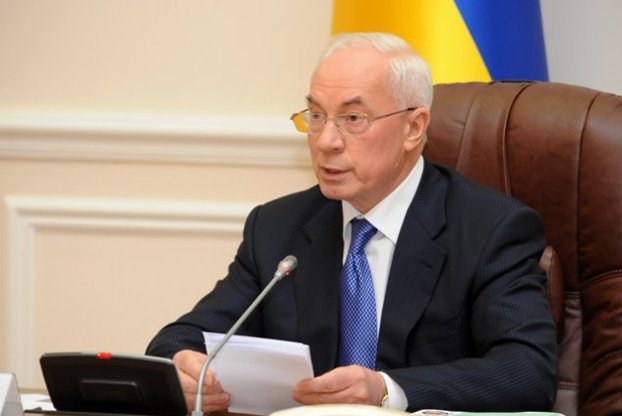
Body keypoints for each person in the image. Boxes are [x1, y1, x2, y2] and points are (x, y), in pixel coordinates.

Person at [146, 32, 558, 413]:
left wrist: (386, 389)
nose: (326, 141)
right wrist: (183, 366)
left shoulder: (490, 227)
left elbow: (527, 370)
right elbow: (179, 339)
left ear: (413, 128)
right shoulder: (277, 227)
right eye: (316, 115)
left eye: (353, 118)